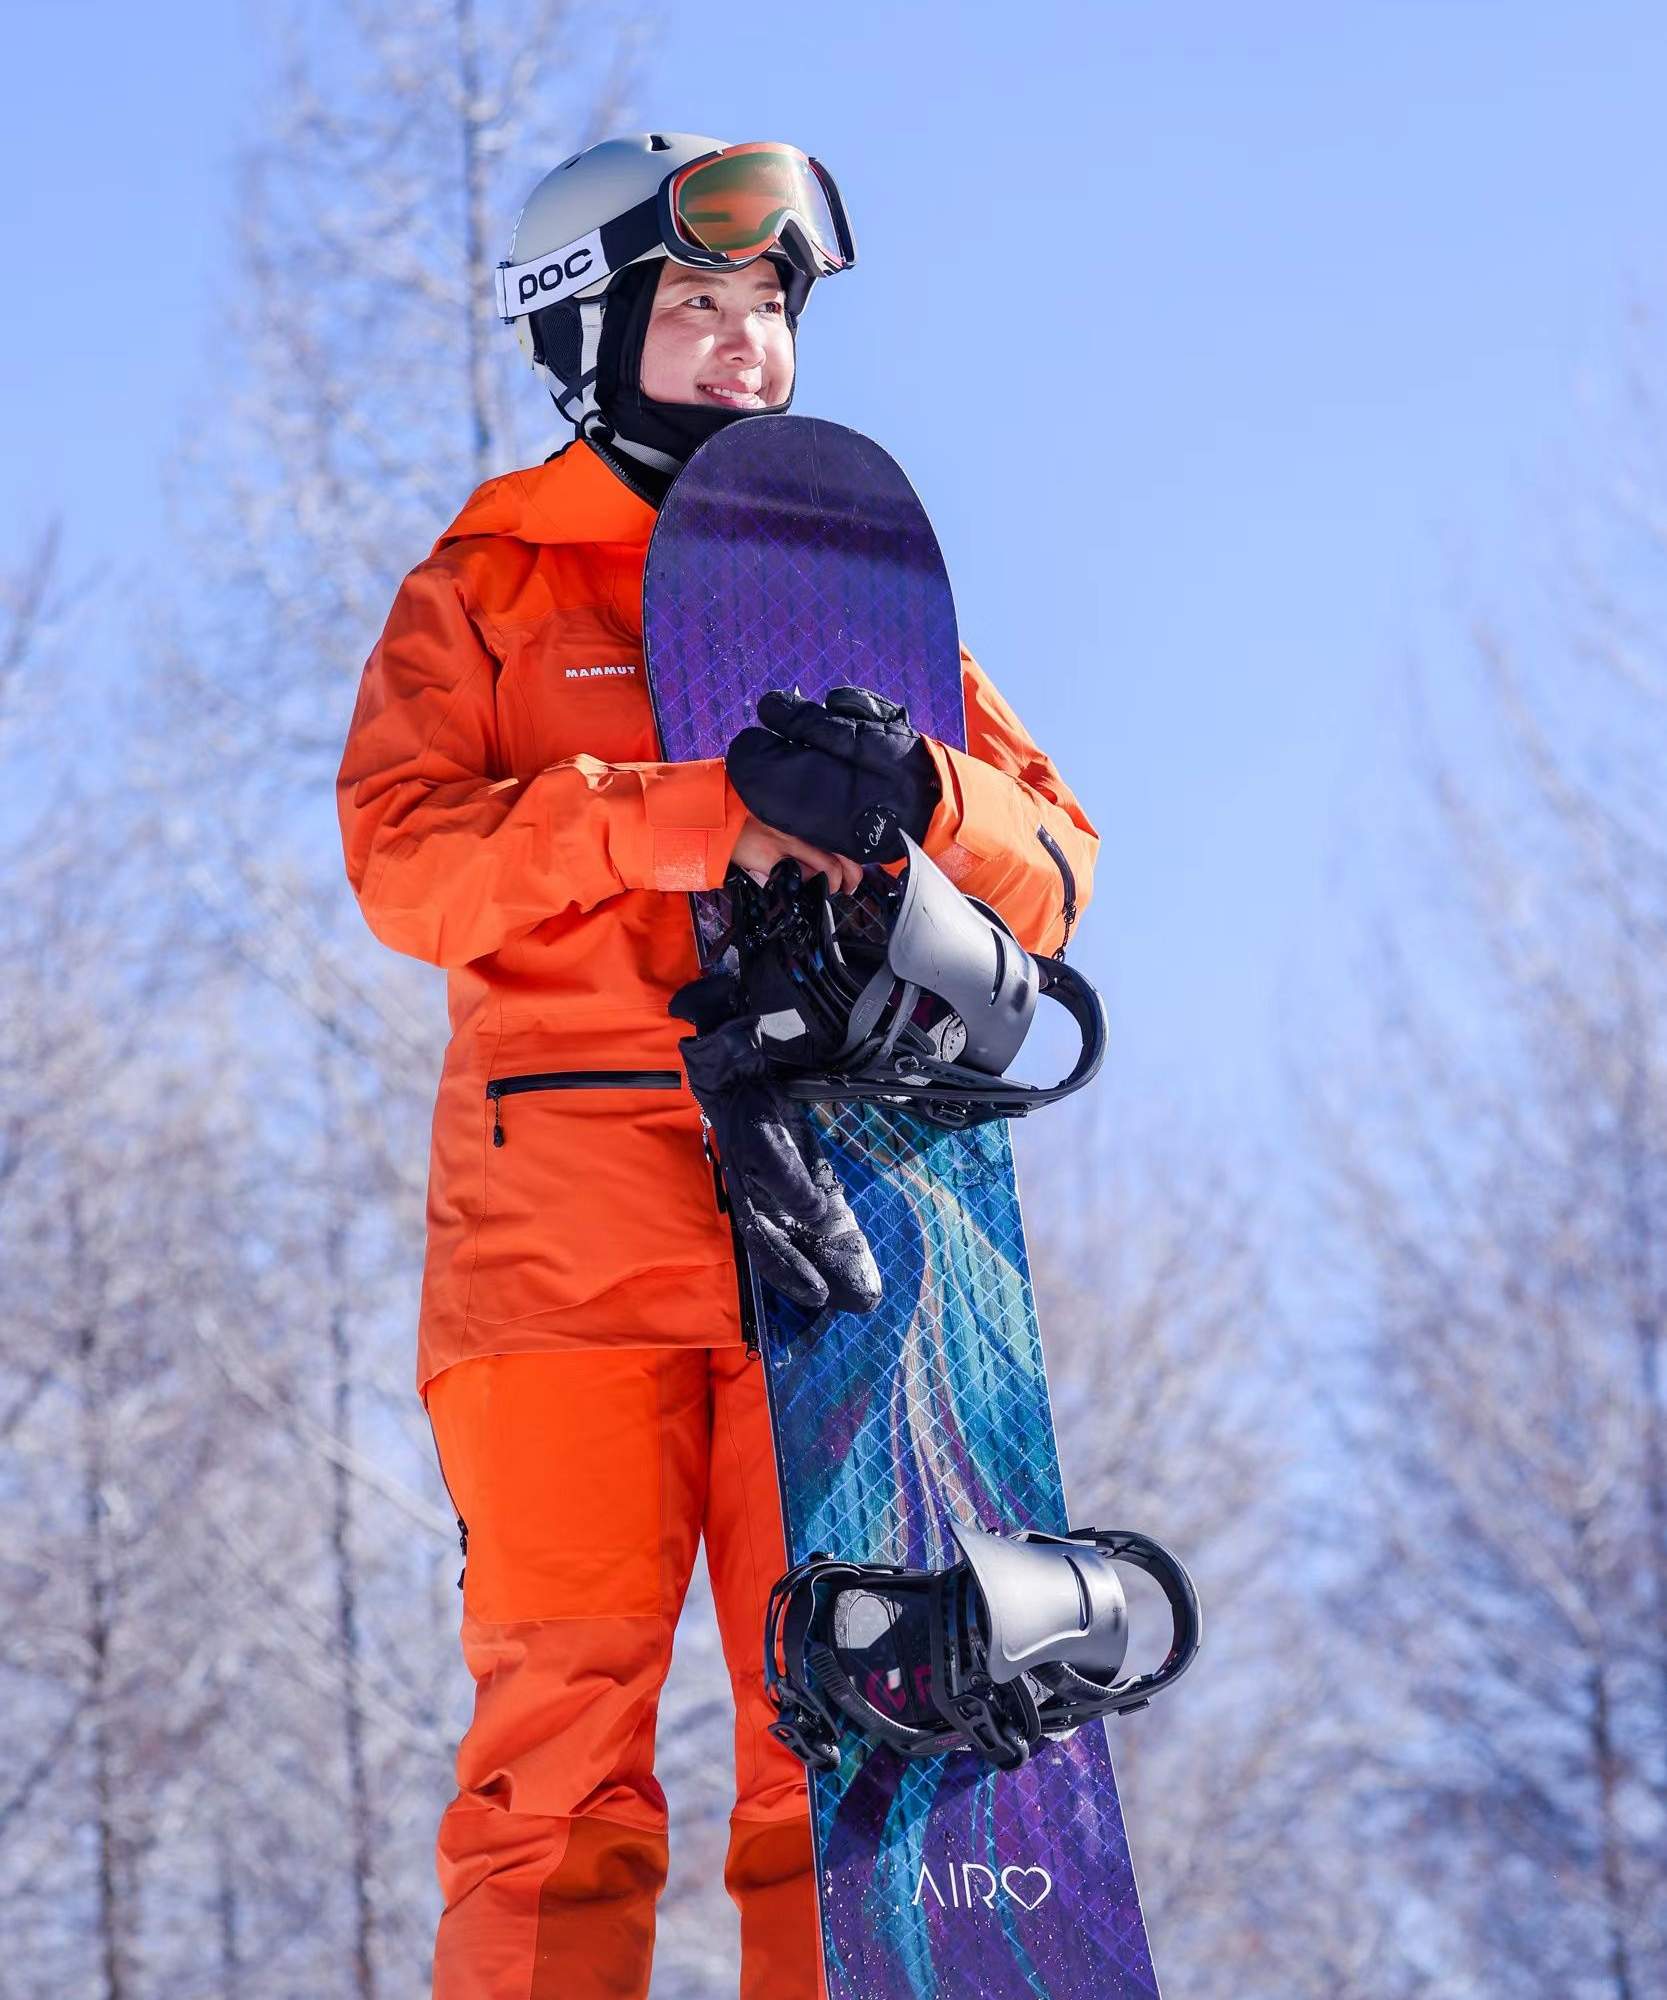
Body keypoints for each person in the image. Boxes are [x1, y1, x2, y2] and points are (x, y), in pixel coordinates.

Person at [334, 132, 1099, 2000]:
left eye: (767, 308)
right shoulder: (490, 592)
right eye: (696, 303)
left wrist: (926, 796)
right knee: (559, 1764)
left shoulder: (871, 600)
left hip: (832, 1251)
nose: (746, 342)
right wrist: (676, 815)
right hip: (562, 1261)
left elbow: (1060, 875)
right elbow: (408, 864)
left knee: (843, 1738)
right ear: (587, 333)